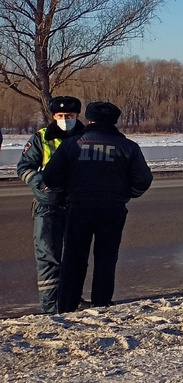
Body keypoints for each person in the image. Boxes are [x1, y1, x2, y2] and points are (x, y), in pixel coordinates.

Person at [42, 101, 152, 313]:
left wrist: (65, 191)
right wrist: (128, 195)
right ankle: (101, 303)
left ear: (89, 120)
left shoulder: (72, 144)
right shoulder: (129, 147)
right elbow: (143, 180)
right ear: (114, 121)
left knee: (73, 257)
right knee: (106, 258)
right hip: (113, 208)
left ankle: (67, 306)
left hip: (78, 207)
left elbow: (50, 177)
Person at [16, 96, 85, 314]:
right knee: (48, 258)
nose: (65, 119)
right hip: (48, 205)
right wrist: (41, 185)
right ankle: (49, 307)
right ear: (53, 116)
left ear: (77, 116)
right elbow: (24, 167)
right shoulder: (42, 137)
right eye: (61, 116)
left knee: (75, 258)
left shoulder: (87, 137)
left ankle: (73, 301)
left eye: (70, 116)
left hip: (77, 205)